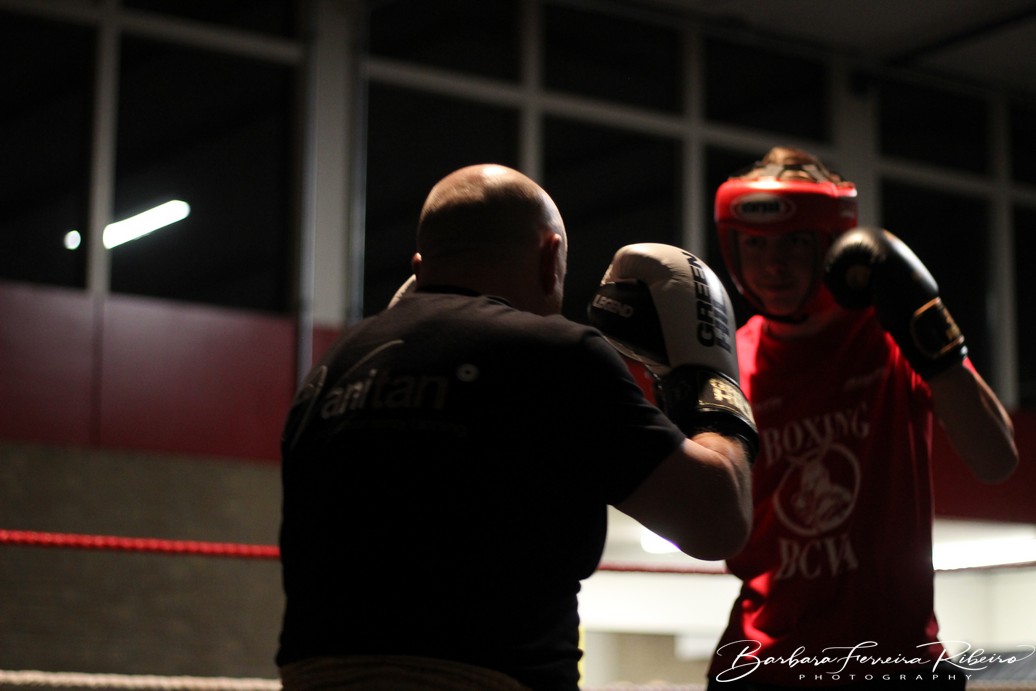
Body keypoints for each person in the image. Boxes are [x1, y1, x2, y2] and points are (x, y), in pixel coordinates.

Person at [276, 163, 756, 691]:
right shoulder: (553, 353)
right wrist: (709, 381)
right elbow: (717, 522)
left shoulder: (329, 369)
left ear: (420, 266)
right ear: (551, 258)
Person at [704, 147, 1018, 690]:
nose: (773, 264)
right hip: (767, 664)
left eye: (794, 241)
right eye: (755, 243)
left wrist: (931, 332)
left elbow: (996, 460)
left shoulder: (887, 337)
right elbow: (708, 532)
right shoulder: (730, 364)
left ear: (831, 243)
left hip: (892, 662)